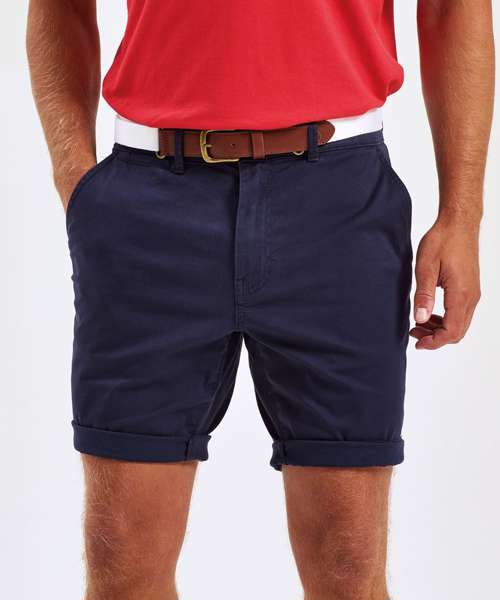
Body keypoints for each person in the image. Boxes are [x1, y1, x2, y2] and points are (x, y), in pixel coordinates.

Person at [26, 1, 494, 599]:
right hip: (149, 202)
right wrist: (77, 185)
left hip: (338, 202)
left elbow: (454, 8)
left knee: (348, 563)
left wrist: (462, 216)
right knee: (121, 559)